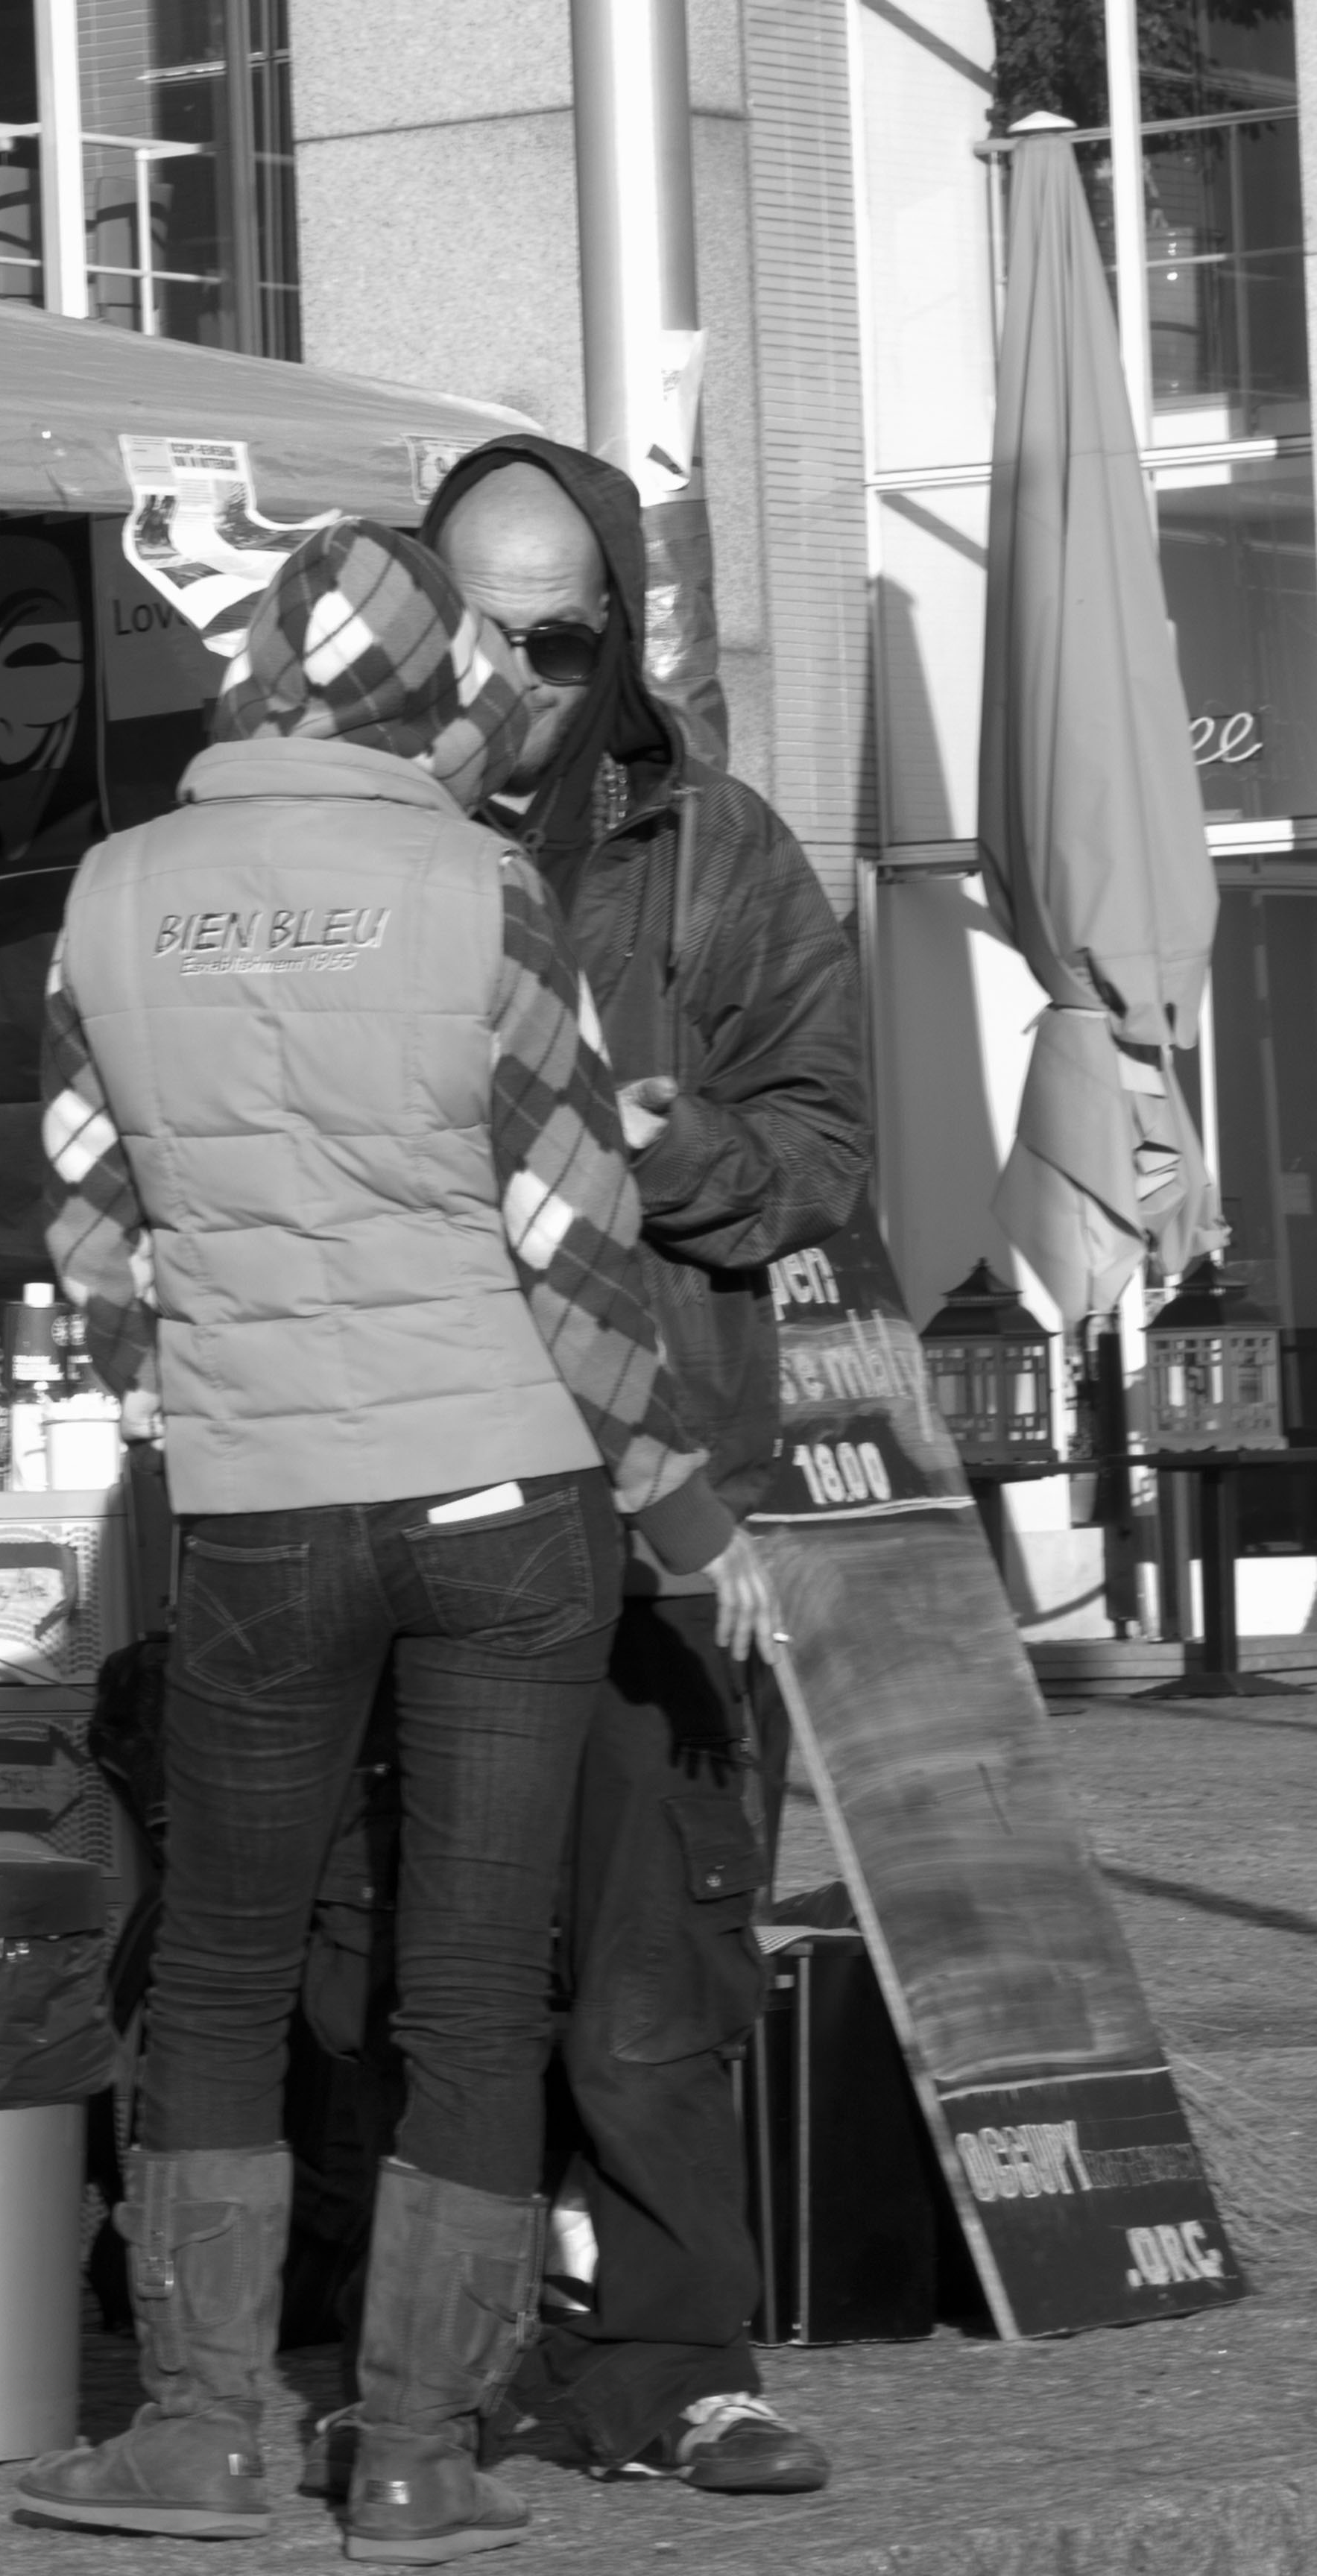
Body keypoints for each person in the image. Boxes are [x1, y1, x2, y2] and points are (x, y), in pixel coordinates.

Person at [12, 521, 771, 2563]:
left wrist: (204, 1406)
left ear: (261, 676)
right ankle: (422, 2448)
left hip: (260, 1507)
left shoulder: (110, 895)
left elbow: (91, 1237)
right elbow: (573, 1232)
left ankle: (198, 2431)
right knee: (468, 1981)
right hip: (509, 1503)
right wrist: (683, 1511)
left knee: (230, 1966)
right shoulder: (479, 885)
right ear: (433, 693)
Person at [396, 438, 869, 2496]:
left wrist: (665, 1146)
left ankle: (677, 2369)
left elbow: (832, 1163)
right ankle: (425, 2364)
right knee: (408, 1960)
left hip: (661, 1484)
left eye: (557, 639)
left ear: (617, 650)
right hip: (402, 1474)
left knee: (661, 1961)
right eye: (477, 629)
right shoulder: (353, 839)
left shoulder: (711, 852)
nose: (514, 676)